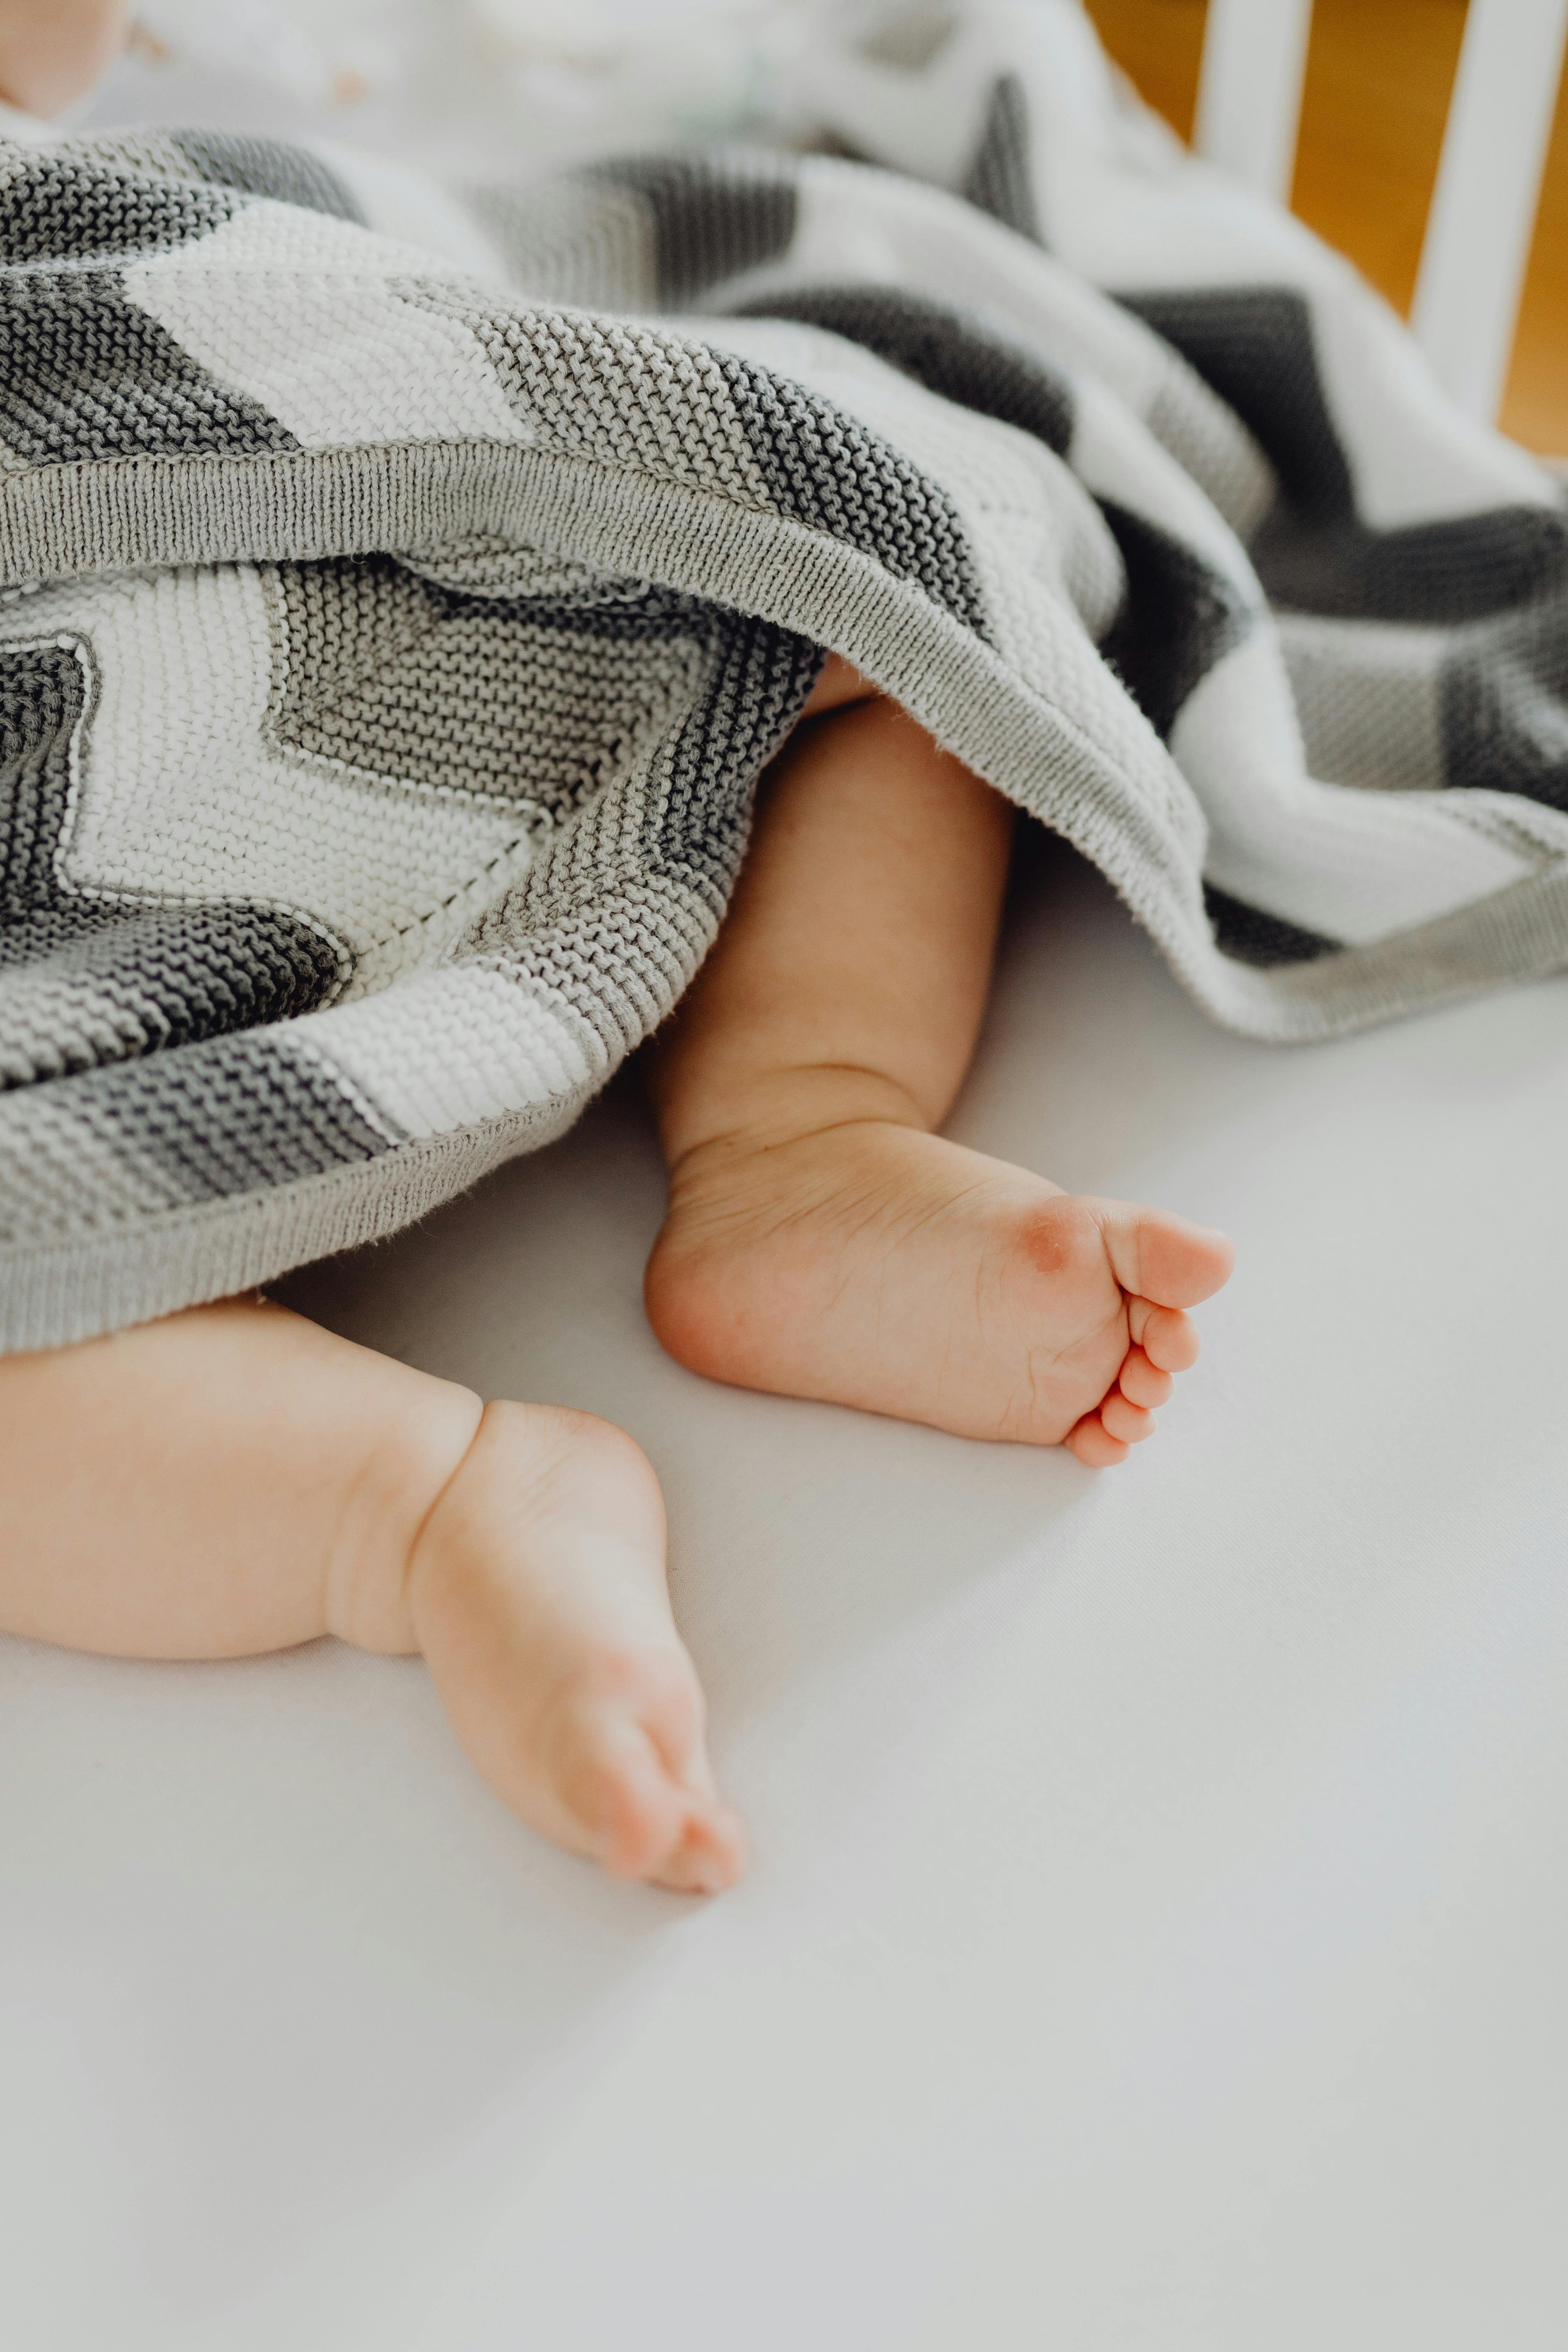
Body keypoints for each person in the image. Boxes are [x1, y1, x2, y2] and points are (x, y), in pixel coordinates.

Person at [0, 1, 1233, 1895]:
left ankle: (802, 1127)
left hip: (315, 464)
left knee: (861, 557)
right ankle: (412, 1508)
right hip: (95, 792)